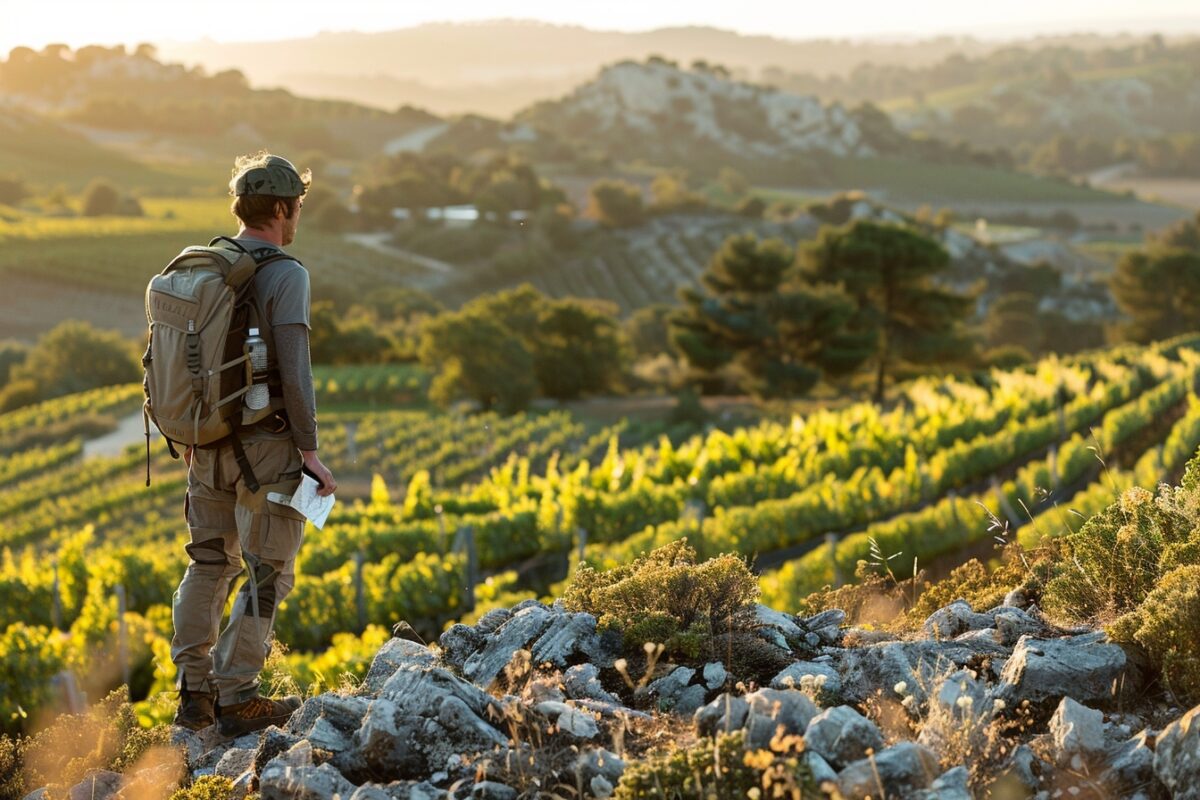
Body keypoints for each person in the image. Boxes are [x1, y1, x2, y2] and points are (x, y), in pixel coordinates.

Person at [170, 151, 337, 737]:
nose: (297, 218)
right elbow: (296, 369)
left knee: (208, 563)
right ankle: (238, 696)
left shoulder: (204, 267)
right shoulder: (286, 274)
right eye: (297, 208)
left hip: (204, 440)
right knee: (269, 569)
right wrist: (310, 451)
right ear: (284, 208)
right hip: (265, 446)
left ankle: (193, 696)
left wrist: (190, 430)